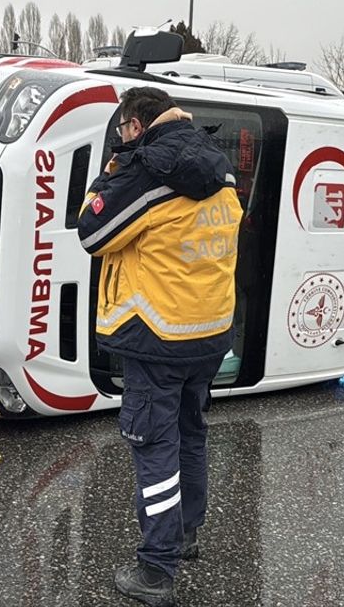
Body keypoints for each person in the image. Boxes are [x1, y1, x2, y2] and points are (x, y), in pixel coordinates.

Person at [77, 87, 242, 606]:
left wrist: (108, 174)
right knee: (190, 435)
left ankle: (156, 569)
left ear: (133, 124)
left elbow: (92, 233)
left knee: (153, 447)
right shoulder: (218, 164)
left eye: (122, 129)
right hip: (209, 332)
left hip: (156, 334)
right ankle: (185, 534)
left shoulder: (147, 171)